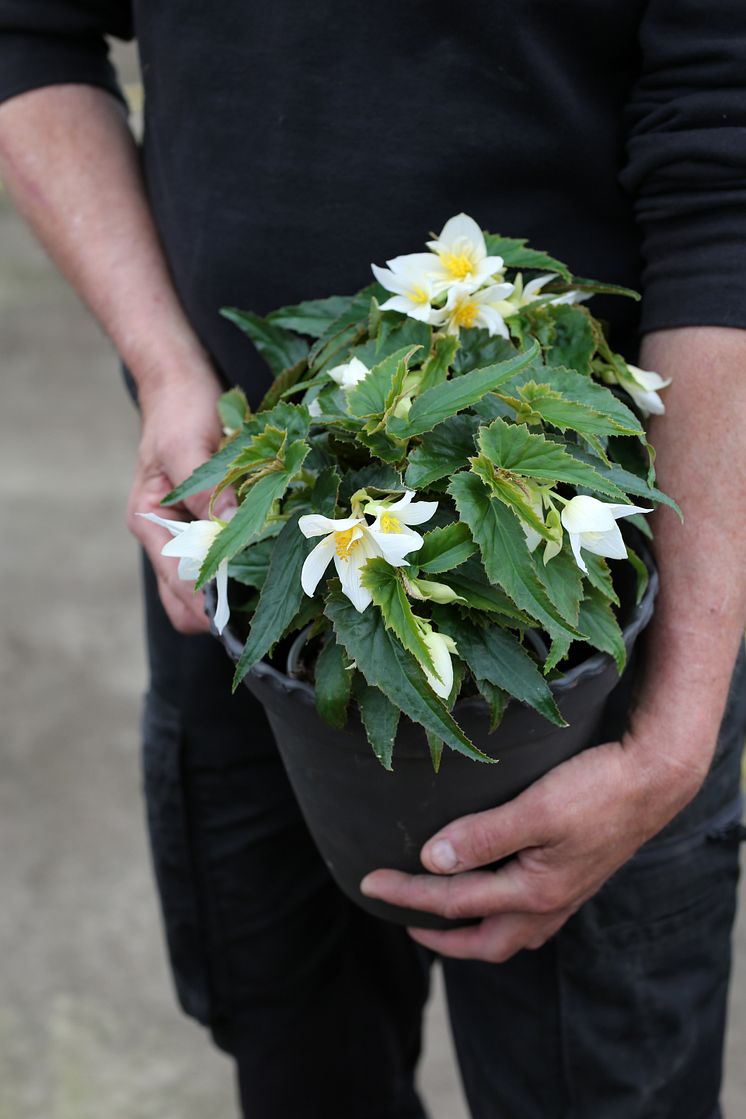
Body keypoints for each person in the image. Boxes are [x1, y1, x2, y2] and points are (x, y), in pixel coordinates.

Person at [0, 3, 744, 1116]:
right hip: (233, 537)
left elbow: (723, 181)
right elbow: (28, 30)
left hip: (612, 610)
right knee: (301, 1057)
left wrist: (672, 733)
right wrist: (165, 366)